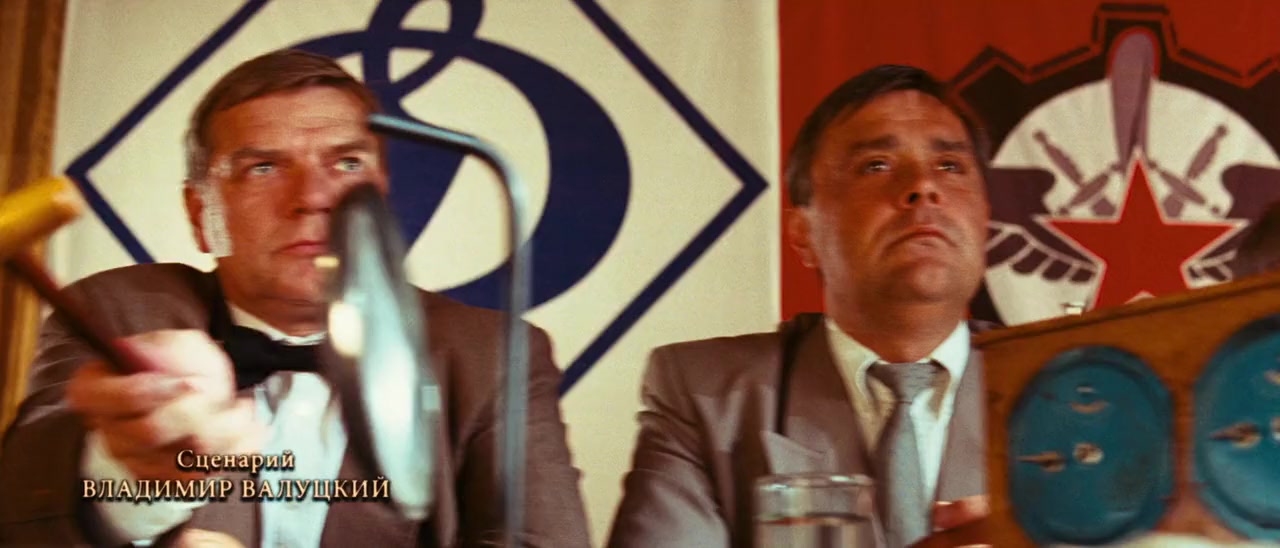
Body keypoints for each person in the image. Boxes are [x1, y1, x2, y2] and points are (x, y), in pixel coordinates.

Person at [0, 49, 591, 548]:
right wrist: (128, 474)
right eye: (263, 168)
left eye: (347, 163)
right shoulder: (115, 311)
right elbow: (23, 515)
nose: (313, 197)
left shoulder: (495, 354)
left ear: (381, 202)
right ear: (201, 214)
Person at [607, 65, 994, 548]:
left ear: (986, 220)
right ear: (802, 234)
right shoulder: (705, 396)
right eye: (876, 165)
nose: (923, 187)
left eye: (950, 166)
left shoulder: (1065, 391)